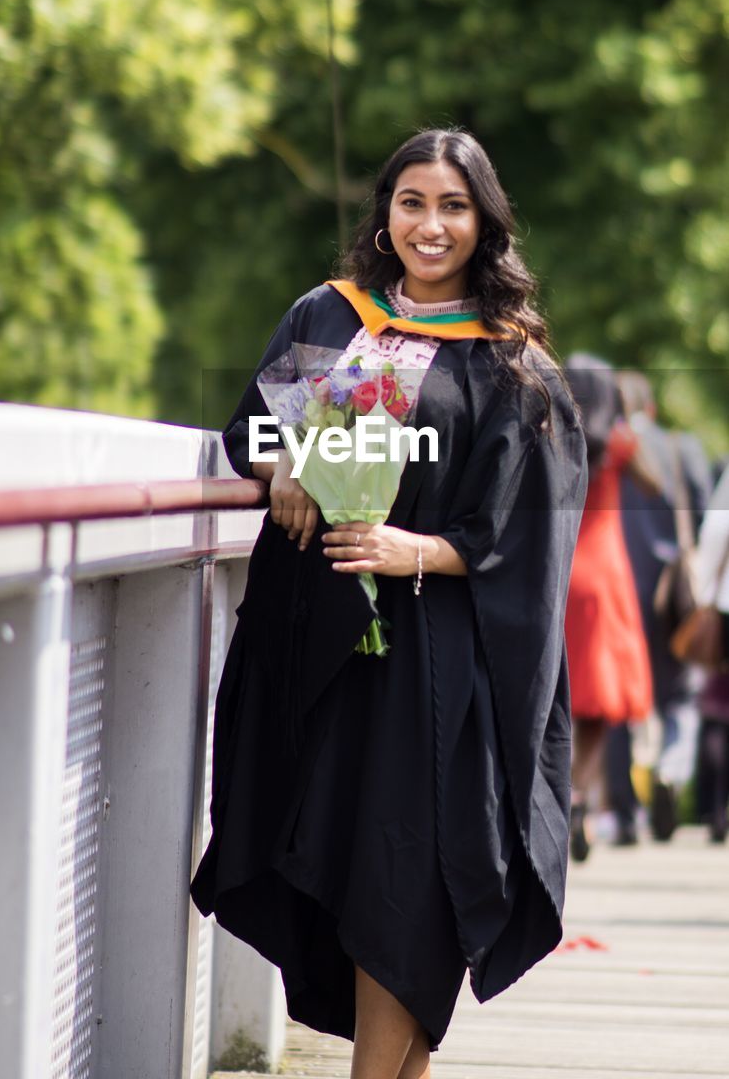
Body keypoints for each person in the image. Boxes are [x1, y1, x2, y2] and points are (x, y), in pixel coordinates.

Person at [190, 128, 587, 1077]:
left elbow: (530, 525)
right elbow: (248, 426)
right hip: (322, 648)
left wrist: (423, 549)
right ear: (385, 213)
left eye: (452, 206)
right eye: (412, 202)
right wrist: (281, 457)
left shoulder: (507, 364)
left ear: (483, 221)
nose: (430, 224)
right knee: (348, 867)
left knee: (404, 878)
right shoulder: (329, 320)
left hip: (436, 664)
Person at [606, 371, 713, 844]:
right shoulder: (681, 448)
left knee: (616, 707)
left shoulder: (600, 451)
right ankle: (670, 769)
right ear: (650, 408)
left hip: (617, 592)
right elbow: (711, 520)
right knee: (681, 699)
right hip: (675, 596)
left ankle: (626, 817)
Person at [563, 355, 657, 862]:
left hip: (559, 573)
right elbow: (657, 484)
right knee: (599, 703)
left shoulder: (552, 434)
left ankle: (559, 798)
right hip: (605, 574)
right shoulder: (618, 445)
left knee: (558, 695)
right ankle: (581, 797)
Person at [693, 464, 729, 843]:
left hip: (726, 604)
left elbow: (717, 531)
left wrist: (705, 594)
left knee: (719, 709)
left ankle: (716, 811)